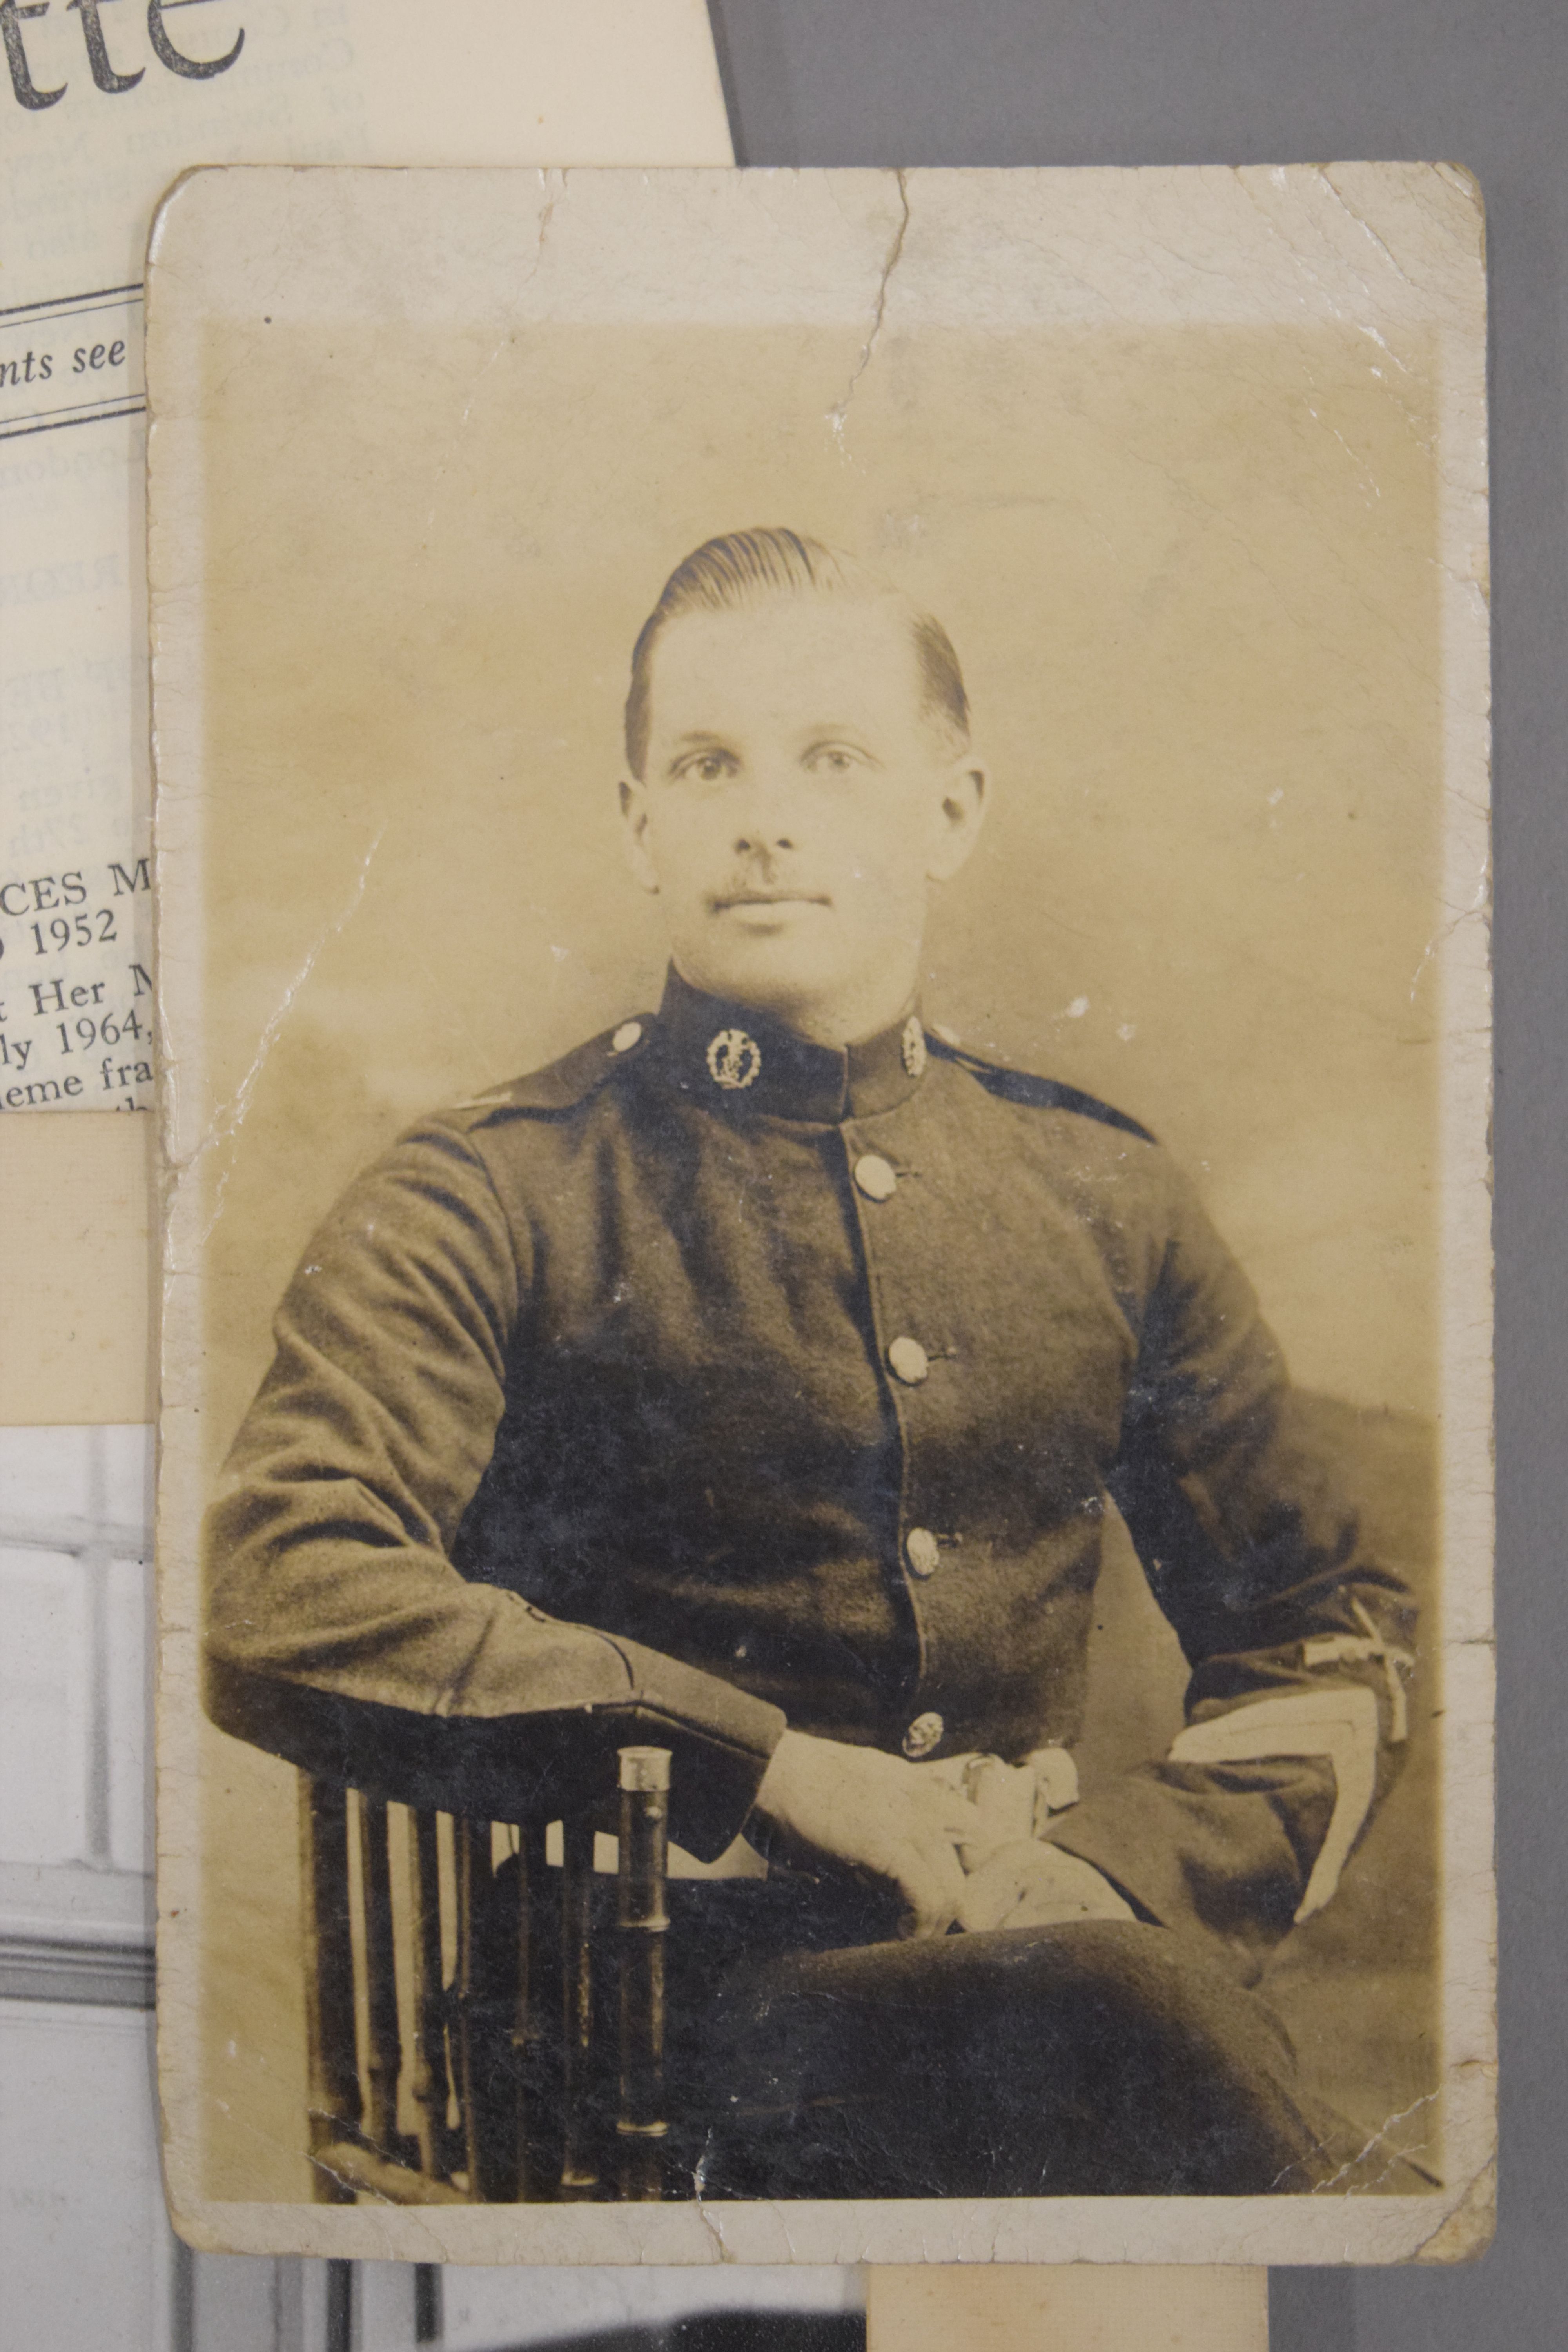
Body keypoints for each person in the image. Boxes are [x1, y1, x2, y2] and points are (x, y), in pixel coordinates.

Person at [205, 527, 1417, 2198]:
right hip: (637, 2025)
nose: (763, 817)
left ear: (950, 813)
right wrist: (769, 1771)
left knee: (1112, 2006)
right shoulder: (494, 1192)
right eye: (707, 764)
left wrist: (1119, 1876)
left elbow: (1327, 1636)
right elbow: (281, 1580)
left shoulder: (1102, 1196)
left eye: (832, 759)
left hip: (1061, 1965)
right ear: (638, 823)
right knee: (1131, 2036)